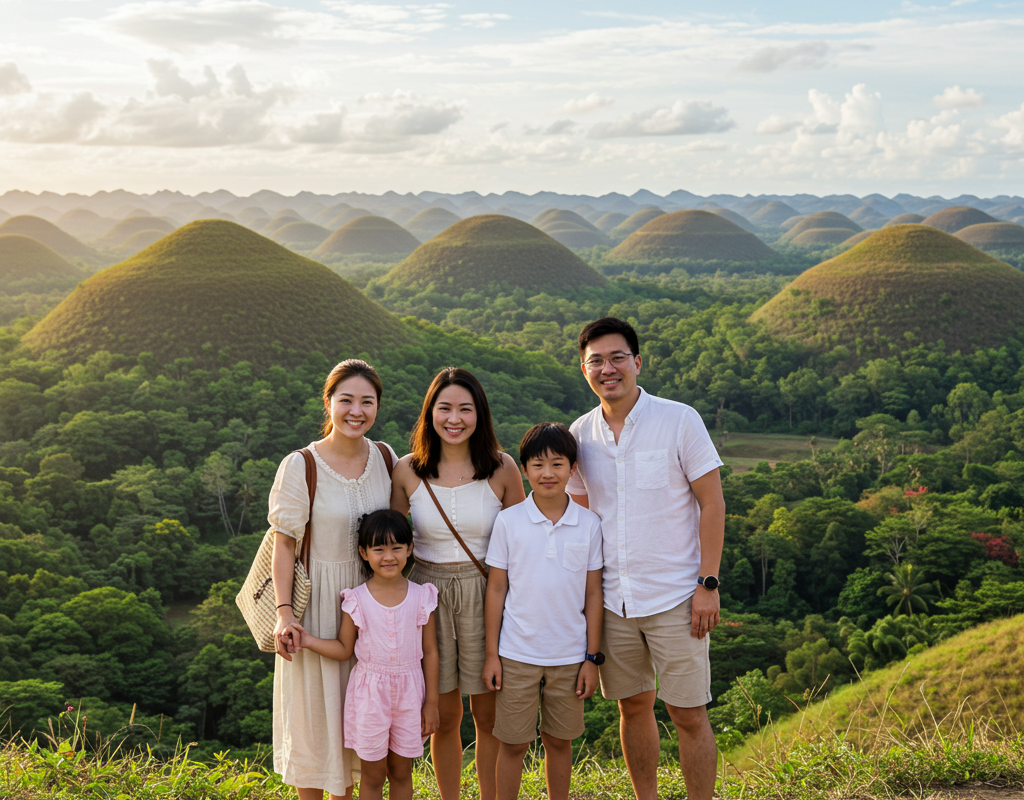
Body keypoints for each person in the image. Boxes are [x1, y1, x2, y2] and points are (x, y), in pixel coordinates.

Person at [565, 317, 726, 800]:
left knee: (688, 713)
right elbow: (580, 512)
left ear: (637, 362)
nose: (607, 368)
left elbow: (712, 502)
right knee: (632, 707)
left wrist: (708, 583)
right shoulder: (580, 434)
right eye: (596, 360)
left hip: (677, 595)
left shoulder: (679, 419)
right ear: (583, 368)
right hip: (614, 601)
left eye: (617, 358)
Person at [390, 367, 526, 800]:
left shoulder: (502, 468)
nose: (454, 418)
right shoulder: (407, 470)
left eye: (465, 409)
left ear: (479, 414)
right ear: (430, 413)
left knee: (487, 715)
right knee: (444, 717)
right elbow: (393, 543)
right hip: (427, 595)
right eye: (444, 408)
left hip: (486, 594)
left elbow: (522, 542)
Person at [269, 359, 398, 800]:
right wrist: (284, 614)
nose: (356, 411)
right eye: (346, 400)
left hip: (373, 608)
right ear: (328, 403)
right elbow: (284, 543)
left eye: (367, 401)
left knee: (361, 725)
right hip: (319, 607)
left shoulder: (384, 457)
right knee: (316, 723)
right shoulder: (301, 464)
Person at [481, 422, 604, 800]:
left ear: (573, 469)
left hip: (569, 656)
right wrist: (491, 655)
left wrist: (592, 659)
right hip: (516, 654)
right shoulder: (509, 521)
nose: (547, 473)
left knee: (559, 742)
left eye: (557, 464)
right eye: (537, 465)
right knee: (513, 744)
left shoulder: (589, 524)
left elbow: (594, 592)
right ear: (524, 469)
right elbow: (497, 588)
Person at [283, 509, 440, 800]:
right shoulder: (356, 599)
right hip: (369, 698)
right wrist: (308, 640)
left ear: (410, 548)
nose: (388, 556)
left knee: (402, 773)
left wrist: (431, 702)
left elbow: (430, 652)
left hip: (410, 695)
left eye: (396, 547)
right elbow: (344, 649)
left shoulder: (422, 597)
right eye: (379, 549)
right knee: (373, 775)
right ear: (363, 553)